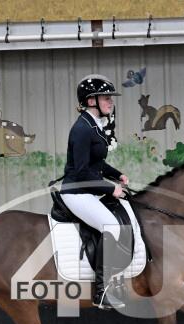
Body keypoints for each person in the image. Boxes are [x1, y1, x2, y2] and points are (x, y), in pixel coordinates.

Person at [60, 74, 130, 310]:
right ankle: (102, 291)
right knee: (112, 226)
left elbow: (95, 163)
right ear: (91, 101)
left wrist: (117, 175)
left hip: (86, 190)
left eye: (110, 98)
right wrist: (111, 188)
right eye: (106, 98)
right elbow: (81, 172)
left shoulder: (93, 125)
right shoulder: (82, 129)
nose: (111, 102)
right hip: (75, 192)